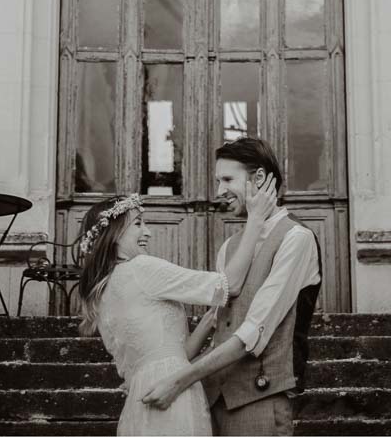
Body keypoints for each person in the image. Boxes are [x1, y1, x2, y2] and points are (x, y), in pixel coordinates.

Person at [141, 137, 322, 436]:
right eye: (217, 180)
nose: (219, 191)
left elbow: (254, 331)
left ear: (260, 178)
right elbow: (219, 322)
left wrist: (178, 381)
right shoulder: (230, 247)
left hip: (260, 400)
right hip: (211, 400)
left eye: (227, 179)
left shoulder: (296, 239)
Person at [75, 174, 278, 436]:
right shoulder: (141, 268)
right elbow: (230, 285)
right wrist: (256, 220)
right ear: (114, 234)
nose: (147, 231)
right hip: (173, 395)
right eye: (138, 223)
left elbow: (175, 354)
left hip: (144, 397)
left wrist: (210, 320)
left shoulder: (101, 290)